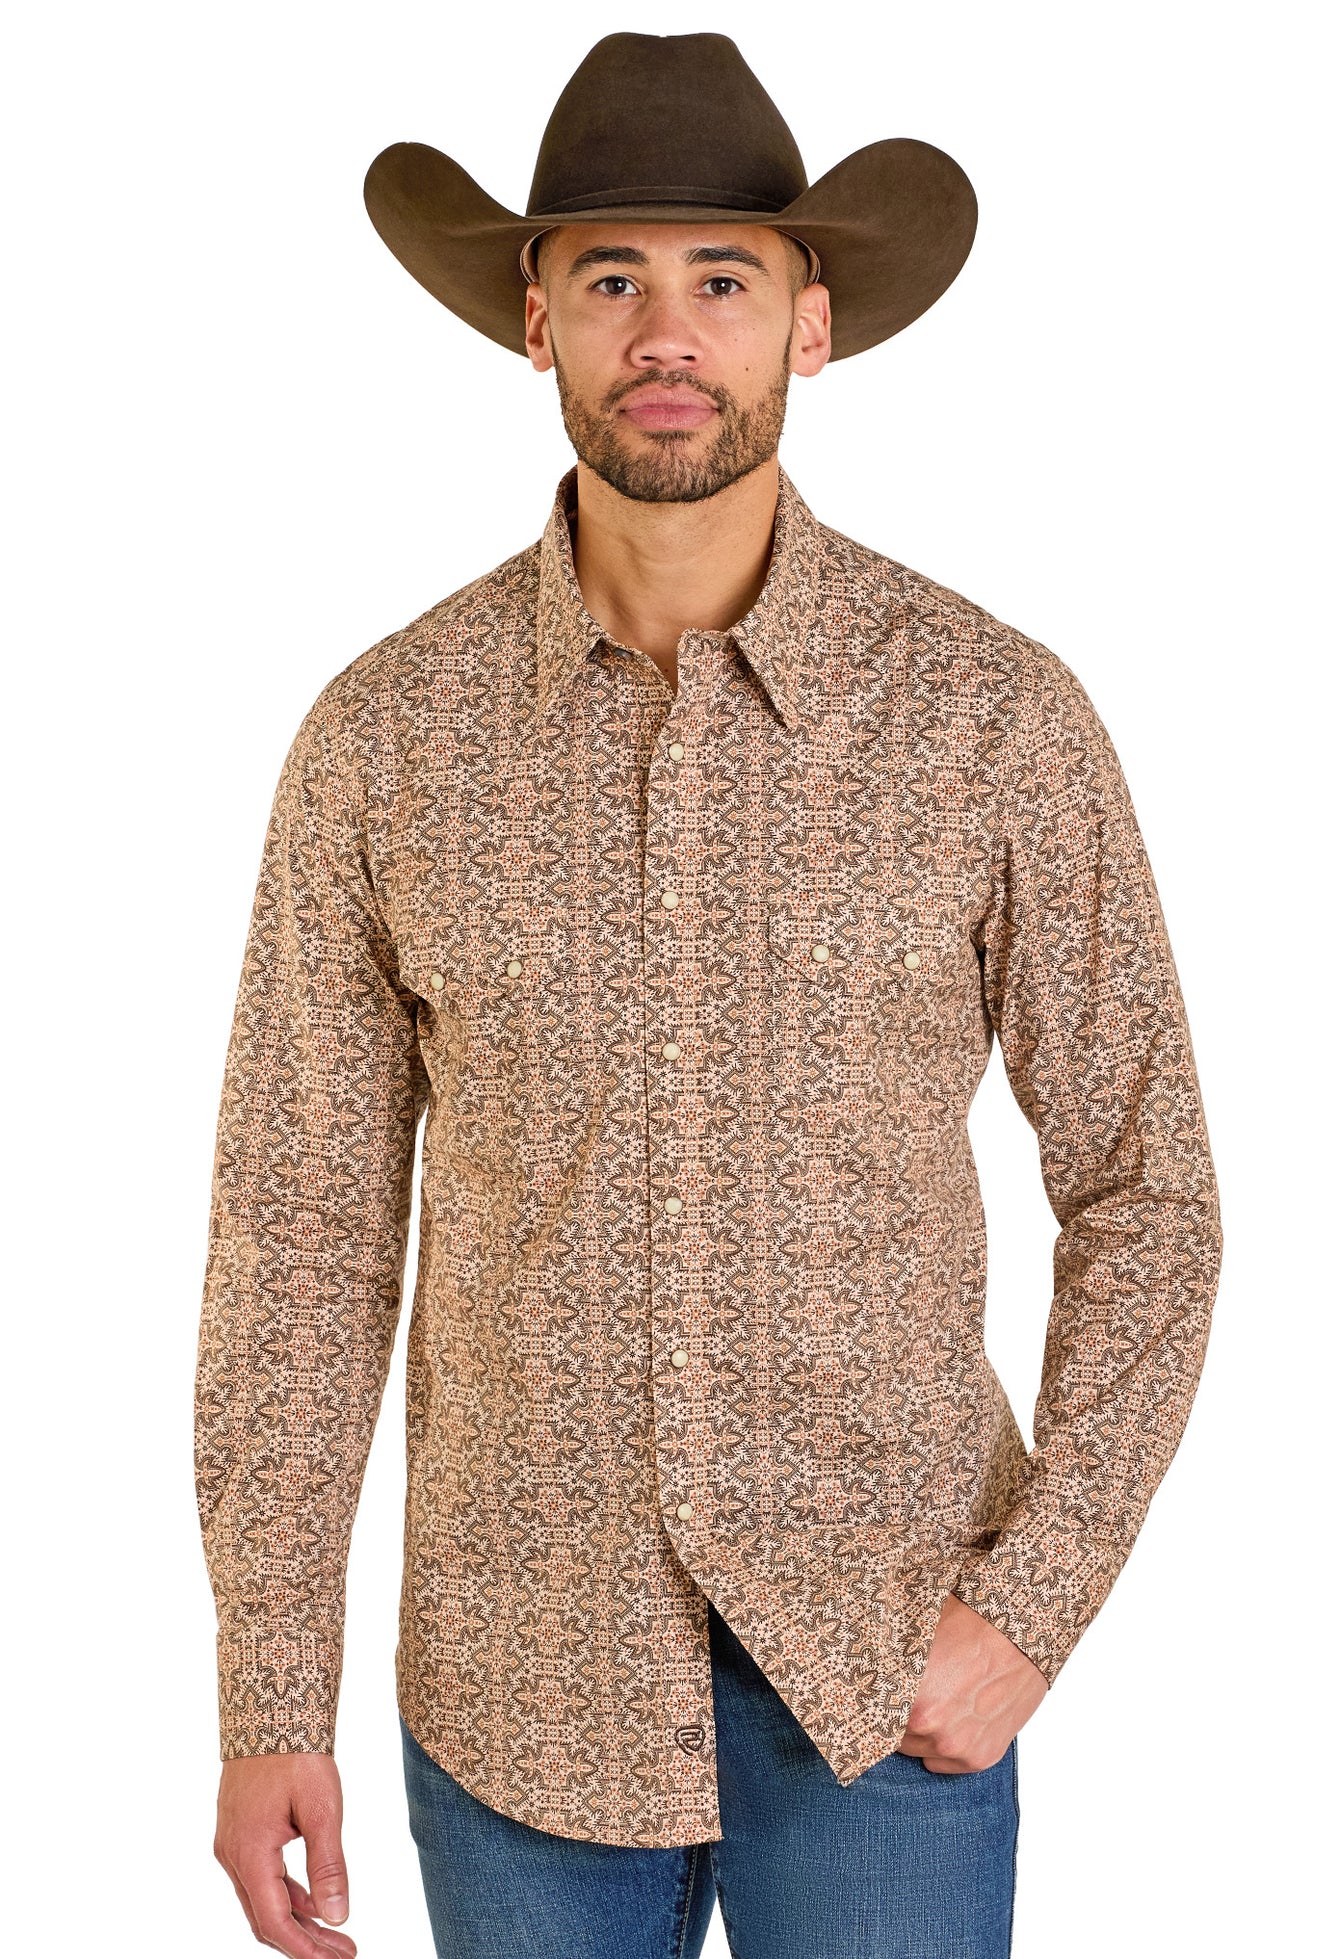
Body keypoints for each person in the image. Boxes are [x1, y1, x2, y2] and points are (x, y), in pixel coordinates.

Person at [195, 31, 1223, 1959]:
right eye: (613, 280)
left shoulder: (991, 719)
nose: (667, 332)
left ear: (806, 329)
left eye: (721, 282)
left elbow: (1148, 1190)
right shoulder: (383, 741)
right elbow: (298, 1250)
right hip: (515, 1687)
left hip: (884, 1683)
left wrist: (1034, 1602)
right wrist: (269, 1696)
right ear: (536, 324)